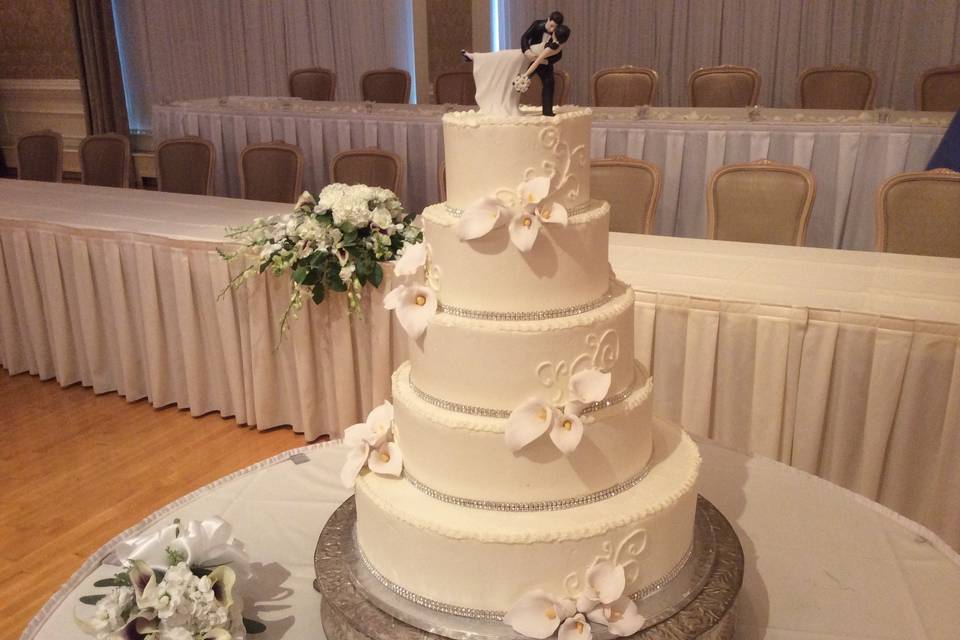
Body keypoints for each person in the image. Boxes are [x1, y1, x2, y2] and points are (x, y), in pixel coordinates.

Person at [461, 14, 570, 117]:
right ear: (548, 19)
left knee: (548, 82)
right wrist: (527, 51)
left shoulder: (555, 42)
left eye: (555, 28)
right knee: (504, 60)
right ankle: (475, 57)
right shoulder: (538, 25)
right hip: (526, 55)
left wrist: (544, 63)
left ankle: (547, 112)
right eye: (551, 26)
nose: (552, 30)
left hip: (539, 62)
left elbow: (556, 55)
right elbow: (525, 37)